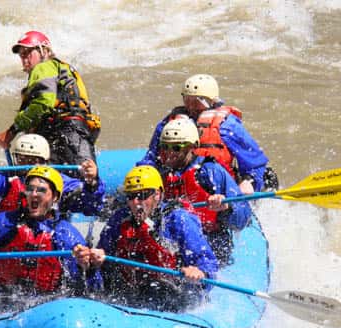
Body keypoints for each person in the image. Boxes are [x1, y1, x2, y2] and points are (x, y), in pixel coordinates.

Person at [73, 165, 218, 312]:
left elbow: (208, 263)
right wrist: (91, 262)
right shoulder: (119, 219)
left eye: (142, 195)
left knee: (159, 290)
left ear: (158, 194)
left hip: (175, 295)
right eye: (130, 196)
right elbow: (103, 259)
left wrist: (200, 273)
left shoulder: (178, 219)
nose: (135, 202)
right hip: (132, 293)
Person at [0, 166, 101, 305]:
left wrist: (88, 267)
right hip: (1, 302)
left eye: (41, 190)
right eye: (30, 189)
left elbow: (90, 291)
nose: (34, 194)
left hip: (49, 304)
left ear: (55, 197)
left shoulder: (66, 234)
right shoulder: (3, 222)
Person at [137, 74, 277, 194]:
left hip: (215, 185)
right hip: (175, 183)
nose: (191, 107)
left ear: (212, 101)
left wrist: (249, 181)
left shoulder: (227, 126)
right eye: (187, 100)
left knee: (265, 177)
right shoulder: (168, 125)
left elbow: (255, 162)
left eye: (197, 102)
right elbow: (151, 157)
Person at [155, 118, 252, 266]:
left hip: (210, 241)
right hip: (173, 242)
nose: (169, 153)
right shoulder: (161, 173)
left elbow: (243, 217)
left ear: (192, 146)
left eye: (176, 148)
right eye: (165, 147)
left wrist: (226, 208)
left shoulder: (209, 172)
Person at [0, 30, 100, 165]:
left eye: (28, 52)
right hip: (78, 131)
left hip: (61, 133)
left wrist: (12, 131)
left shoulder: (43, 67)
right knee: (85, 179)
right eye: (21, 55)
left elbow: (43, 102)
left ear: (44, 51)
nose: (24, 58)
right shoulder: (60, 68)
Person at [0, 133, 105, 222]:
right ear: (15, 159)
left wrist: (92, 183)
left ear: (44, 162)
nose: (27, 166)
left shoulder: (59, 181)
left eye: (33, 160)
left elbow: (91, 206)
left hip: (46, 235)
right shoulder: (0, 180)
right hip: (5, 236)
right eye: (22, 159)